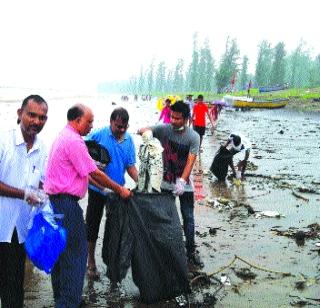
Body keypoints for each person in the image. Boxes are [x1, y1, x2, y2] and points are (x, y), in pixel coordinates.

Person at [44, 104, 132, 308]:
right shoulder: (74, 141)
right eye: (89, 121)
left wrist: (106, 188)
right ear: (77, 121)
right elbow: (94, 172)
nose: (91, 126)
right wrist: (120, 189)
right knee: (76, 256)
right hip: (66, 205)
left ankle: (63, 298)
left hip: (56, 203)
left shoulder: (63, 136)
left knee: (61, 256)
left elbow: (85, 174)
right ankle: (68, 303)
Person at [138, 101, 203, 268]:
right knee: (166, 218)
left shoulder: (193, 137)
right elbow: (143, 129)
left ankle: (190, 251)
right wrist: (146, 134)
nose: (174, 121)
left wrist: (182, 180)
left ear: (186, 119)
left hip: (184, 186)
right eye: (172, 117)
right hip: (165, 185)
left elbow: (191, 160)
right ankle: (168, 249)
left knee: (188, 218)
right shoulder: (164, 129)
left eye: (178, 118)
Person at [0, 94, 49, 308]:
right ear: (20, 114)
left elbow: (40, 183)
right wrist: (24, 194)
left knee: (13, 288)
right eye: (31, 115)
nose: (36, 121)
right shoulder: (3, 140)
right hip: (1, 223)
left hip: (20, 231)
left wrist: (42, 195)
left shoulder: (42, 148)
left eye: (42, 117)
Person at [85, 107, 138, 279]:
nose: (121, 130)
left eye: (124, 127)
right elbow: (81, 149)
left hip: (117, 191)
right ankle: (90, 261)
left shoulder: (129, 140)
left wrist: (142, 182)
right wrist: (92, 160)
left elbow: (130, 167)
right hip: (96, 189)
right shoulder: (99, 135)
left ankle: (111, 262)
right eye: (118, 126)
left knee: (115, 227)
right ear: (111, 122)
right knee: (92, 224)